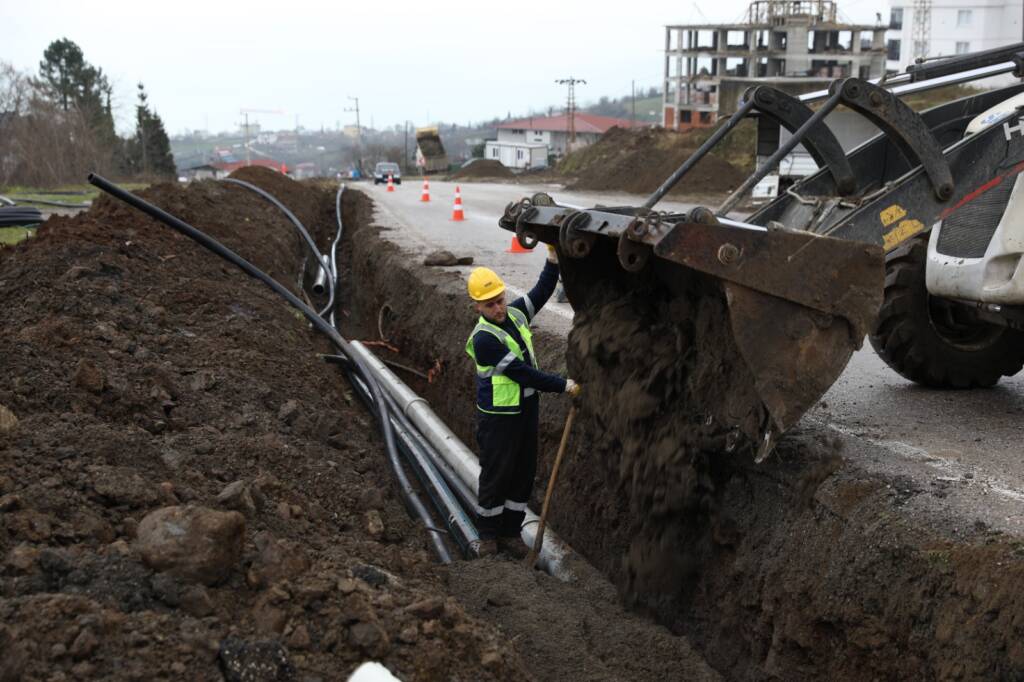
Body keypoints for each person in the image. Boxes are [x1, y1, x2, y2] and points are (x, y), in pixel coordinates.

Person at [464, 245, 581, 558]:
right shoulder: (484, 339)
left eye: (500, 300)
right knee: (496, 474)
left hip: (527, 410)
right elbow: (522, 374)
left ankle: (511, 532)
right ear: (478, 306)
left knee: (523, 472)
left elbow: (541, 292)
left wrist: (553, 259)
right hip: (498, 417)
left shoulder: (515, 314)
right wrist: (564, 385)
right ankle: (488, 535)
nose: (499, 309)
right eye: (490, 305)